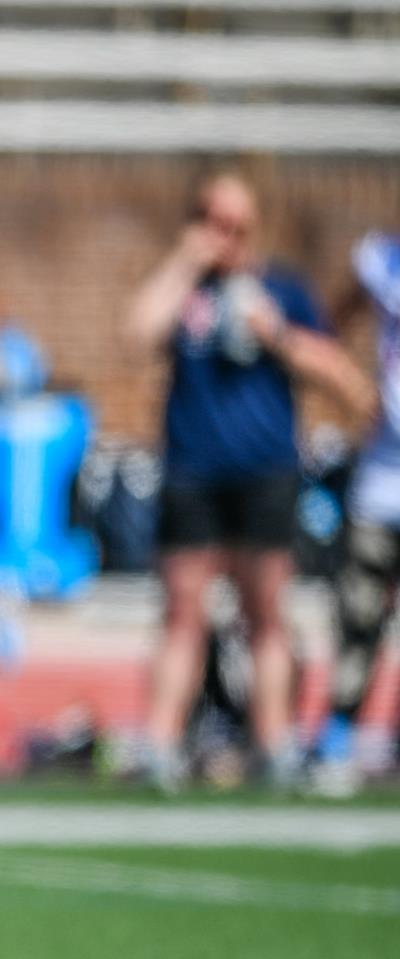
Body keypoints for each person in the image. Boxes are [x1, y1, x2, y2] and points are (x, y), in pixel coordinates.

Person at [123, 172, 373, 792]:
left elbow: (335, 368)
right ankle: (159, 745)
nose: (226, 237)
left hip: (265, 472)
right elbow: (135, 335)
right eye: (214, 222)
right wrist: (185, 262)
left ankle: (274, 743)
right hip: (192, 471)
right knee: (183, 613)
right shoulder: (186, 290)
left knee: (266, 615)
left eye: (237, 225)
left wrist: (276, 335)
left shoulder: (281, 289)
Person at [309, 229, 400, 797]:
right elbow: (327, 323)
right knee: (361, 613)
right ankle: (339, 730)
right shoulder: (382, 261)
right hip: (384, 474)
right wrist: (351, 385)